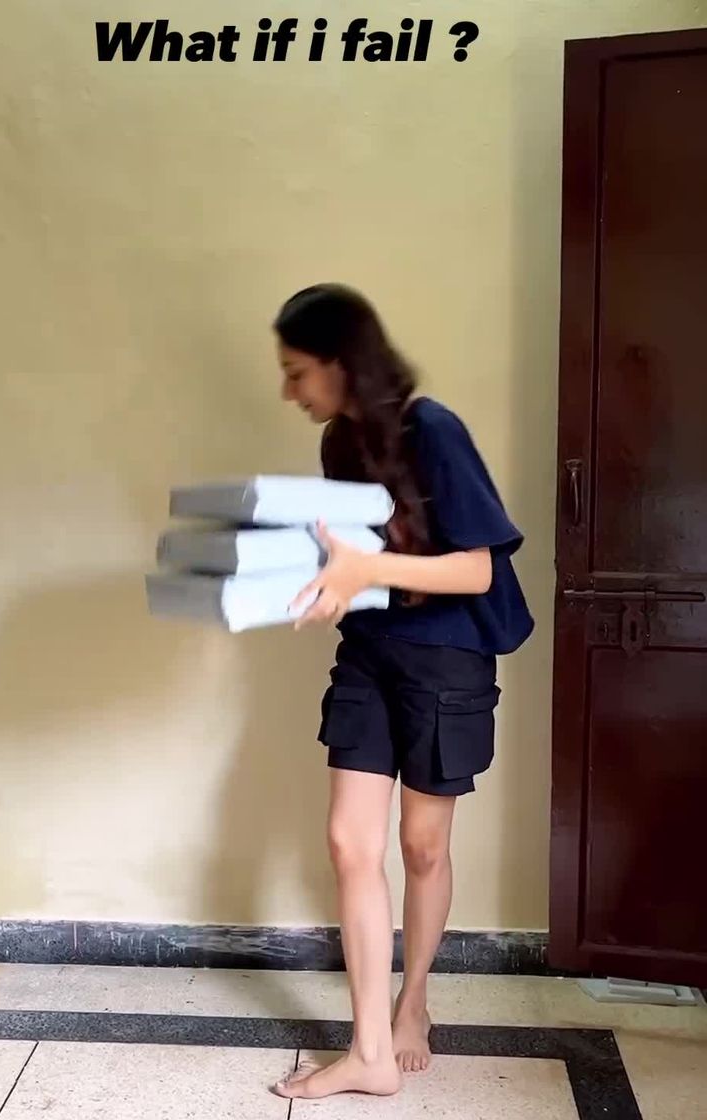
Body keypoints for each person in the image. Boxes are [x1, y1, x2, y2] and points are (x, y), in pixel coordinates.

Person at [271, 283, 534, 1101]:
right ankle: (370, 1052)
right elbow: (354, 560)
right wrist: (322, 585)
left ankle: (413, 1000)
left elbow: (478, 569)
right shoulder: (339, 443)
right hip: (368, 655)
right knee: (350, 843)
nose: (288, 391)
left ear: (342, 363)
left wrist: (366, 570)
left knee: (422, 847)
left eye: (297, 372)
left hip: (447, 660)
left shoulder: (434, 429)